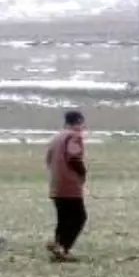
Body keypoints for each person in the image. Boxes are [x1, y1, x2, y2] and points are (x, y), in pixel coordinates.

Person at [45, 110, 88, 262]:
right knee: (78, 217)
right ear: (78, 121)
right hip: (69, 184)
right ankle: (64, 247)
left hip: (56, 184)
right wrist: (82, 172)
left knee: (63, 218)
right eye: (82, 123)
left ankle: (58, 244)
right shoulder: (73, 136)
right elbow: (74, 156)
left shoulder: (57, 136)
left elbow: (49, 159)